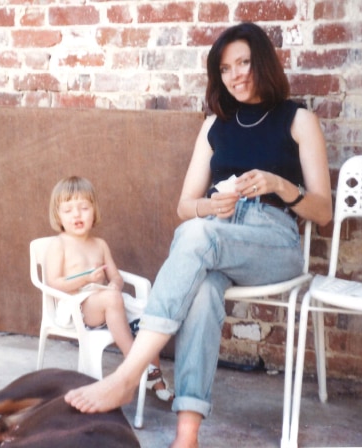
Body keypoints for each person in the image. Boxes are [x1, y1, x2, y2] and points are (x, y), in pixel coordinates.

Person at [64, 22, 333, 448]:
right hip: (218, 232)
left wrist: (280, 186)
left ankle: (128, 374)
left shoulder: (298, 119)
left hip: (273, 242)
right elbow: (185, 206)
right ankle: (186, 436)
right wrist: (211, 206)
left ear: (261, 61)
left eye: (244, 62)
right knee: (204, 287)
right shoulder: (214, 125)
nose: (236, 75)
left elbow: (323, 212)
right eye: (225, 69)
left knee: (194, 237)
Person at [45, 175, 173, 402]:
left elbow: (115, 276)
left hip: (106, 302)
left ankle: (155, 376)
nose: (77, 214)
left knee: (149, 315)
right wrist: (84, 281)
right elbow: (53, 282)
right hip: (79, 306)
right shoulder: (59, 244)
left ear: (94, 211)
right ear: (58, 216)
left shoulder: (100, 244)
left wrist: (114, 284)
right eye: (68, 210)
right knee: (112, 299)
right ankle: (133, 361)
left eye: (84, 208)